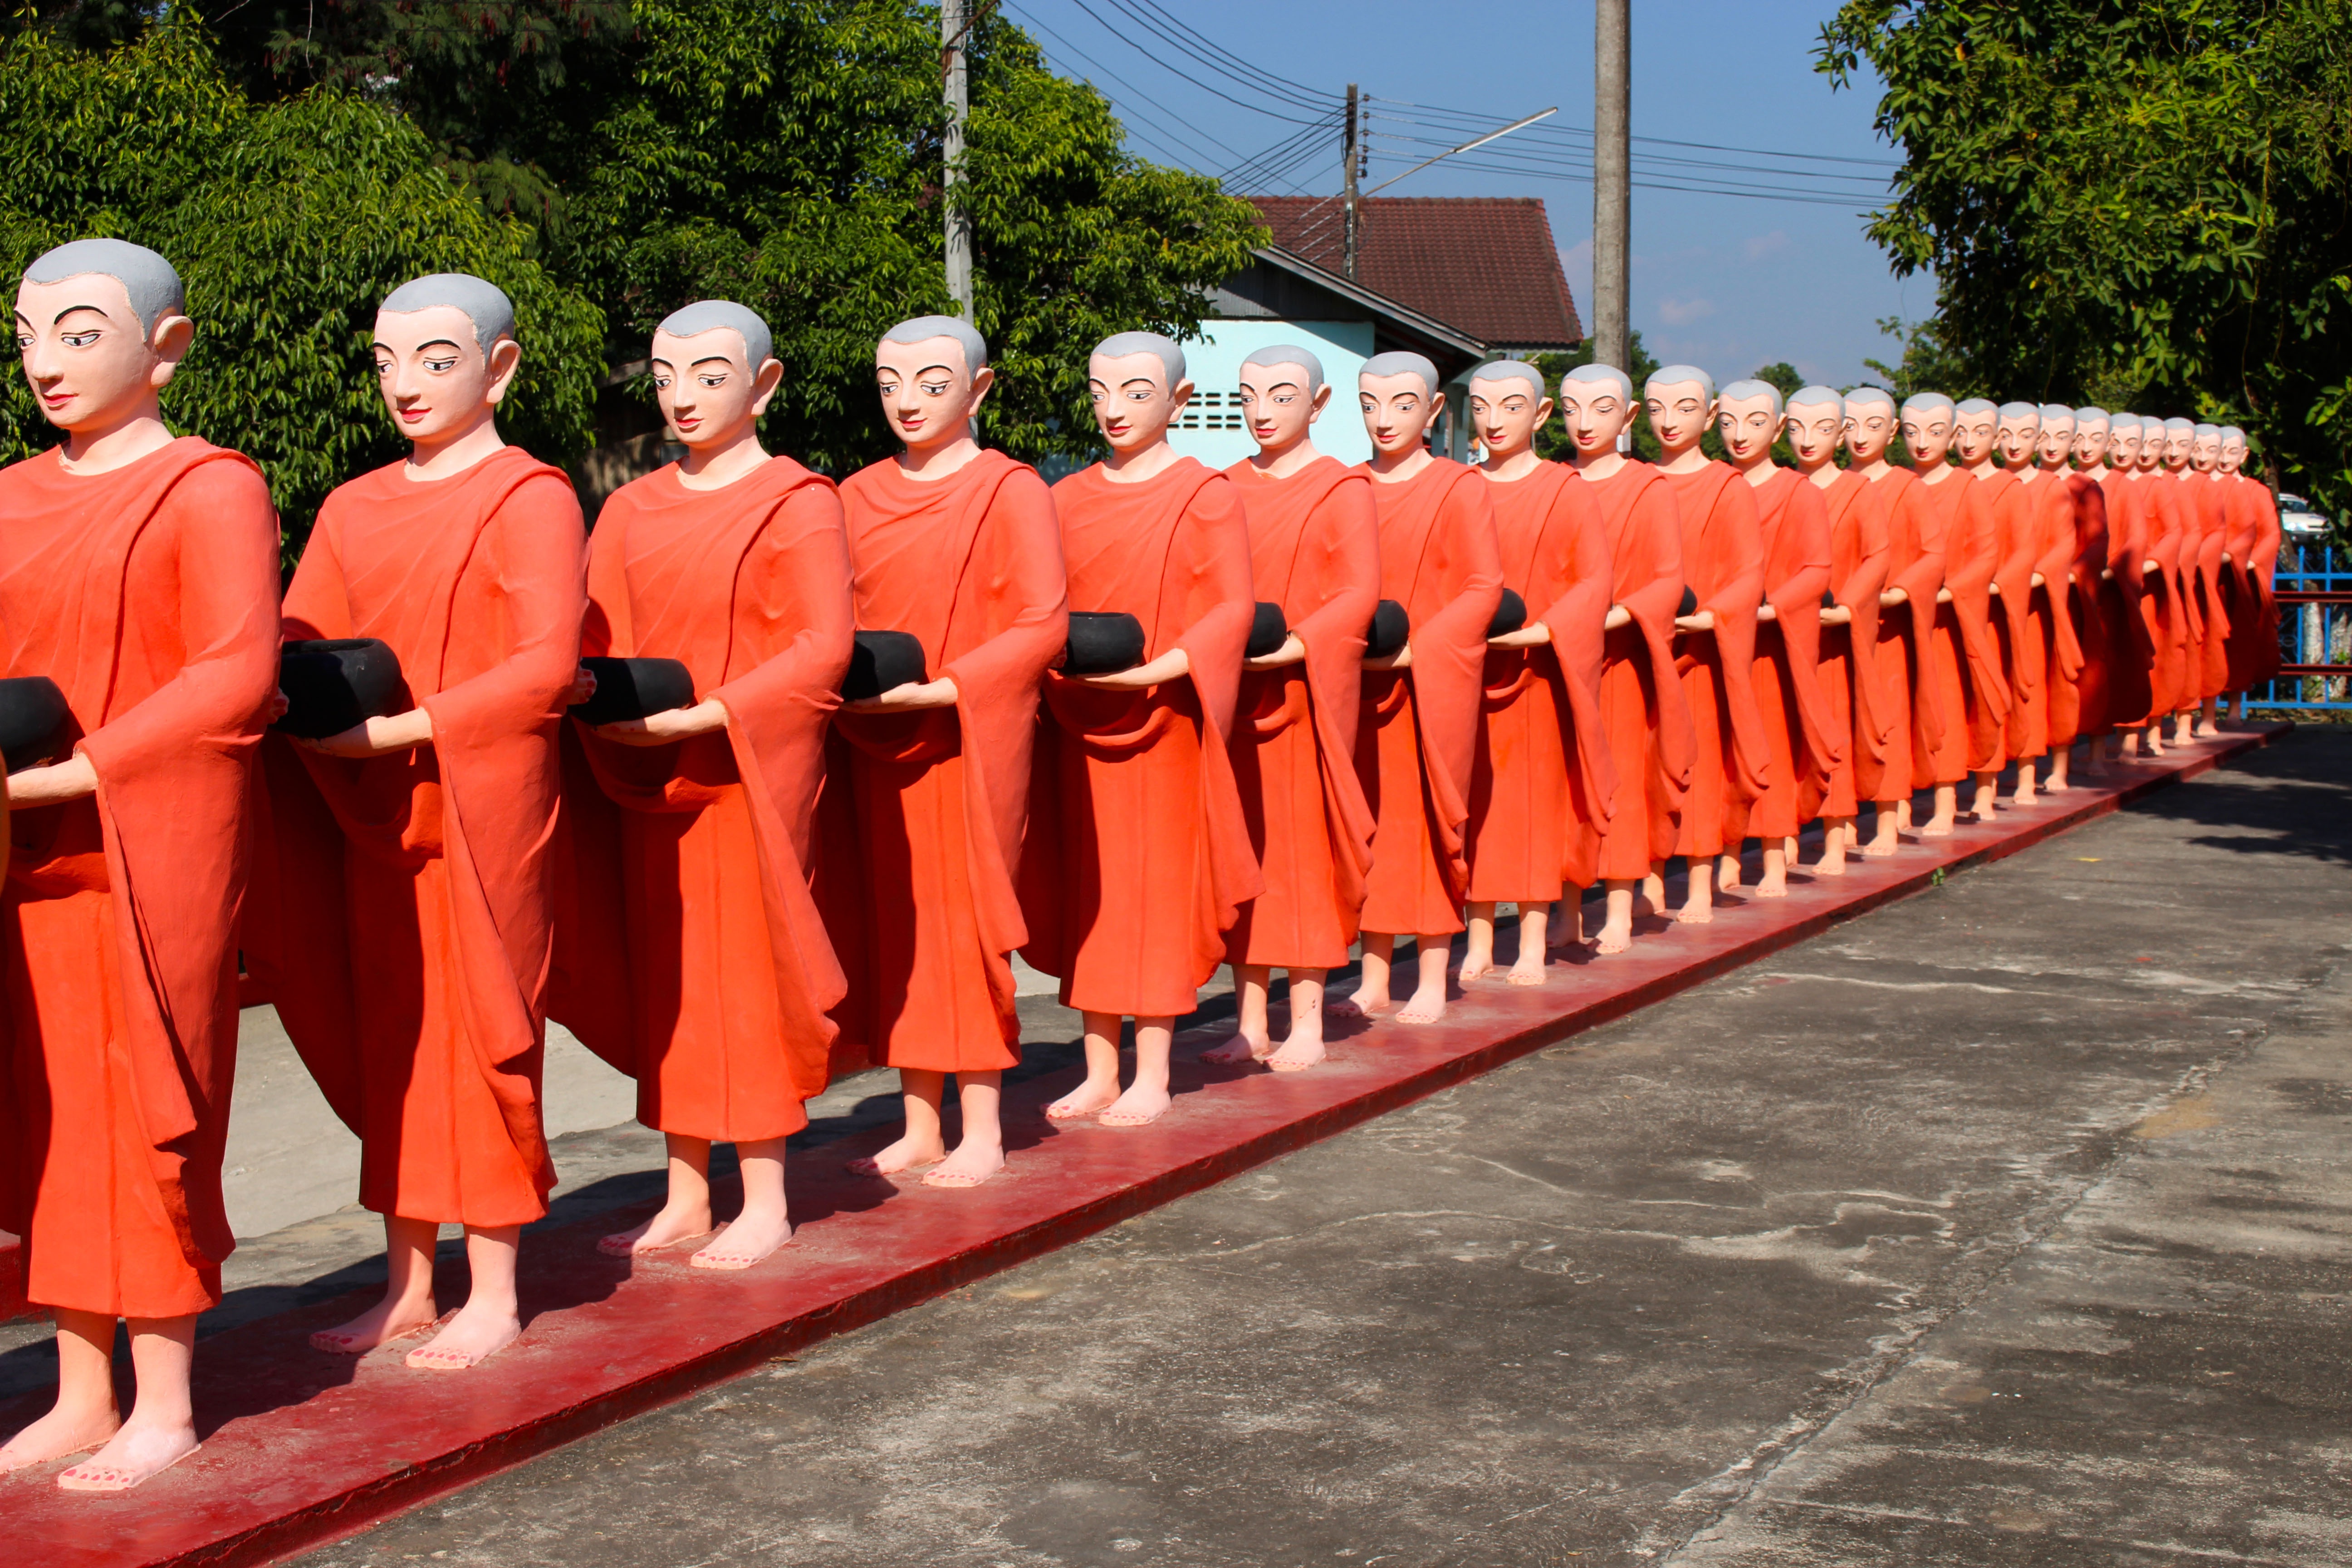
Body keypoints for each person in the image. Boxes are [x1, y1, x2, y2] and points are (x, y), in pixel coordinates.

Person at [257, 274, 587, 1372]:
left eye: (436, 358)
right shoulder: (353, 506)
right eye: (388, 359)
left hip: (485, 803)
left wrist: (407, 731)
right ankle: (406, 1279)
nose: (406, 383)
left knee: (487, 1030)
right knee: (395, 1035)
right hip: (372, 814)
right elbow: (303, 644)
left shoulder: (531, 494)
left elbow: (544, 667)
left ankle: (491, 1280)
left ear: (498, 366)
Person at [0, 240, 278, 1490]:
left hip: (145, 840)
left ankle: (161, 1395)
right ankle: (77, 1387)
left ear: (164, 346)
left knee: (151, 1110)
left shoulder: (211, 487)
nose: (45, 360)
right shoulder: (7, 492)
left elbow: (236, 673)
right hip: (29, 851)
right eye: (28, 332)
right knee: (49, 1114)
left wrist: (90, 767)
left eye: (78, 332)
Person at [553, 301, 853, 1269]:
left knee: (749, 974)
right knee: (670, 979)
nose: (683, 397)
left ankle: (763, 1189)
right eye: (666, 375)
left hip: (747, 770)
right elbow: (597, 637)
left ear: (762, 384)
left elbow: (823, 647)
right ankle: (686, 1185)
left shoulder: (798, 498)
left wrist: (717, 712)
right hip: (653, 772)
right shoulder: (630, 506)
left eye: (710, 375)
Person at [819, 316, 1065, 1187]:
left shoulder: (1010, 489)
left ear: (979, 388)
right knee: (897, 926)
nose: (907, 402)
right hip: (877, 738)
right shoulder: (850, 495)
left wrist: (954, 685)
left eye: (930, 381)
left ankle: (984, 1125)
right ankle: (920, 1117)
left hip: (967, 734)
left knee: (963, 925)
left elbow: (1042, 623)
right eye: (889, 383)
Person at [1022, 333, 1259, 1121]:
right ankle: (1096, 1065)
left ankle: (1151, 1068)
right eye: (1099, 391)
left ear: (1178, 400)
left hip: (1162, 725)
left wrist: (1159, 671)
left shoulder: (1205, 493)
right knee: (1091, 889)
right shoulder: (1062, 498)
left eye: (1133, 391)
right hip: (1079, 720)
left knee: (1152, 895)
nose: (1113, 408)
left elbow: (1231, 608)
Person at [1205, 345, 1377, 1072]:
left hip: (1303, 695)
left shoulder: (1342, 489)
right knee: (1243, 857)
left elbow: (1357, 594)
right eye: (1249, 396)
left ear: (1319, 402)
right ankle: (1249, 1019)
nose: (1263, 411)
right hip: (1234, 695)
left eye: (1281, 395)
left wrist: (1299, 646)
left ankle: (1305, 1014)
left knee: (1299, 860)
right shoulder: (1221, 488)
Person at [1346, 352, 1502, 1024]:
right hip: (1358, 685)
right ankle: (1375, 972)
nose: (1385, 420)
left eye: (1404, 405)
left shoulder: (1458, 487)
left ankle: (1433, 972)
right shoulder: (1345, 487)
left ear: (1435, 411)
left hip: (1431, 684)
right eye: (1371, 404)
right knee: (1372, 829)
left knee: (1430, 826)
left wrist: (1423, 648)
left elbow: (1483, 586)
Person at [1461, 360, 1613, 978]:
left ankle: (1528, 940)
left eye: (1512, 407)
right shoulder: (1461, 487)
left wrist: (1544, 630)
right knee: (1472, 807)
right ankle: (1474, 941)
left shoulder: (1565, 489)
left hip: (1538, 673)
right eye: (1481, 407)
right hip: (1470, 668)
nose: (1495, 422)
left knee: (1528, 810)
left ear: (1541, 414)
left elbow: (1594, 580)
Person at [1554, 364, 1690, 953]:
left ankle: (1617, 903)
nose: (1585, 424)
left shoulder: (1647, 488)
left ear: (1628, 417)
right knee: (1565, 785)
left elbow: (1668, 581)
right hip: (1559, 657)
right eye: (1572, 409)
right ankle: (1565, 910)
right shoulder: (1554, 483)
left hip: (1621, 658)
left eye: (1602, 410)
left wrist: (1613, 616)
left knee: (1621, 782)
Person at [1645, 365, 1767, 922]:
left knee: (1700, 767)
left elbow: (1749, 574)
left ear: (1710, 414)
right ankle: (1644, 880)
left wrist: (1713, 616)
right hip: (1644, 648)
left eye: (1685, 409)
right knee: (1642, 767)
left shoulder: (1728, 487)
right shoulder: (1639, 481)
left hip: (1701, 652)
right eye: (1657, 409)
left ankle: (1699, 881)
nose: (1670, 422)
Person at [1718, 379, 1839, 895]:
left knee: (1773, 746)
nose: (1740, 434)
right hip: (1720, 640)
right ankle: (1721, 854)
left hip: (1772, 646)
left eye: (1755, 422)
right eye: (1728, 422)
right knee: (1719, 752)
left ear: (1778, 427)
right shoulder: (1717, 487)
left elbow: (1818, 570)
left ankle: (1772, 858)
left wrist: (1772, 606)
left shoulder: (1799, 493)